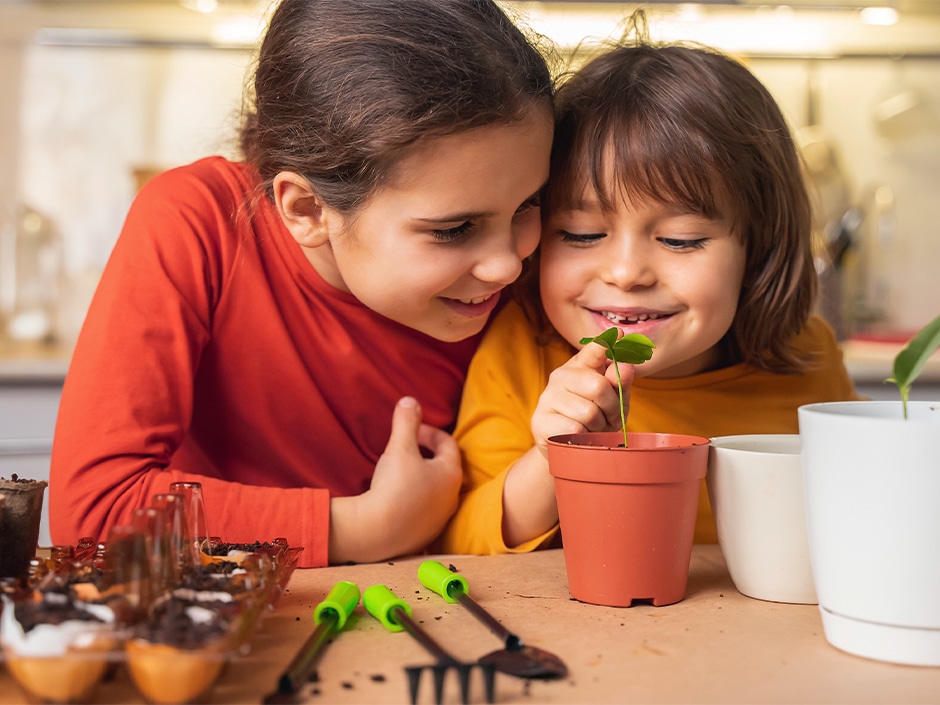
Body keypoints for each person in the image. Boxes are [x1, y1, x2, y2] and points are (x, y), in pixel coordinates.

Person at [49, 0, 555, 568]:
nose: (508, 265)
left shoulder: (527, 273)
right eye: (454, 229)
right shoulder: (198, 223)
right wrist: (368, 527)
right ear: (309, 209)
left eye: (528, 203)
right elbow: (92, 516)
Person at [436, 38, 862, 556]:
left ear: (759, 248)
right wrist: (553, 456)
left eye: (680, 240)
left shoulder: (808, 356)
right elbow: (466, 543)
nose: (625, 273)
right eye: (583, 234)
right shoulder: (522, 349)